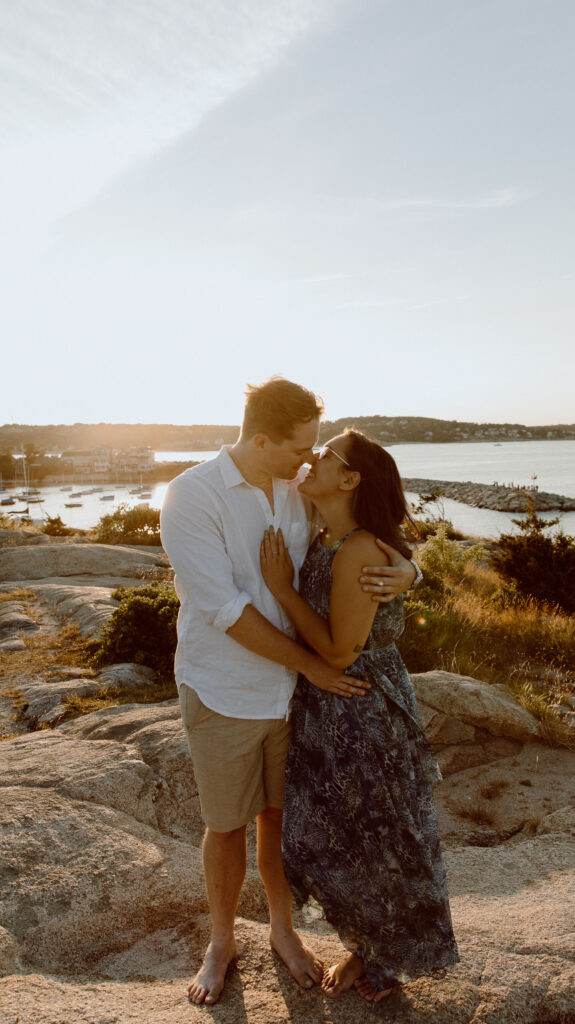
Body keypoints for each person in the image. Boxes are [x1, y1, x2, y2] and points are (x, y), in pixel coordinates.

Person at [160, 378, 417, 1006]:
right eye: (299, 449)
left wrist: (411, 569)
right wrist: (316, 666)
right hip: (226, 690)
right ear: (261, 438)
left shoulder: (295, 489)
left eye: (314, 451)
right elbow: (225, 608)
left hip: (297, 700)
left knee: (279, 821)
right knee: (226, 826)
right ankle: (221, 941)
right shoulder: (192, 496)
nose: (308, 461)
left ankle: (282, 931)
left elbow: (363, 528)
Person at [260, 428, 459, 1003]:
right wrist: (412, 569)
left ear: (350, 479)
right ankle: (368, 947)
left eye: (325, 455)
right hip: (329, 704)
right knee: (350, 834)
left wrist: (281, 588)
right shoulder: (330, 537)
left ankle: (378, 960)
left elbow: (341, 650)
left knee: (376, 836)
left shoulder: (359, 550)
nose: (311, 459)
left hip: (359, 706)